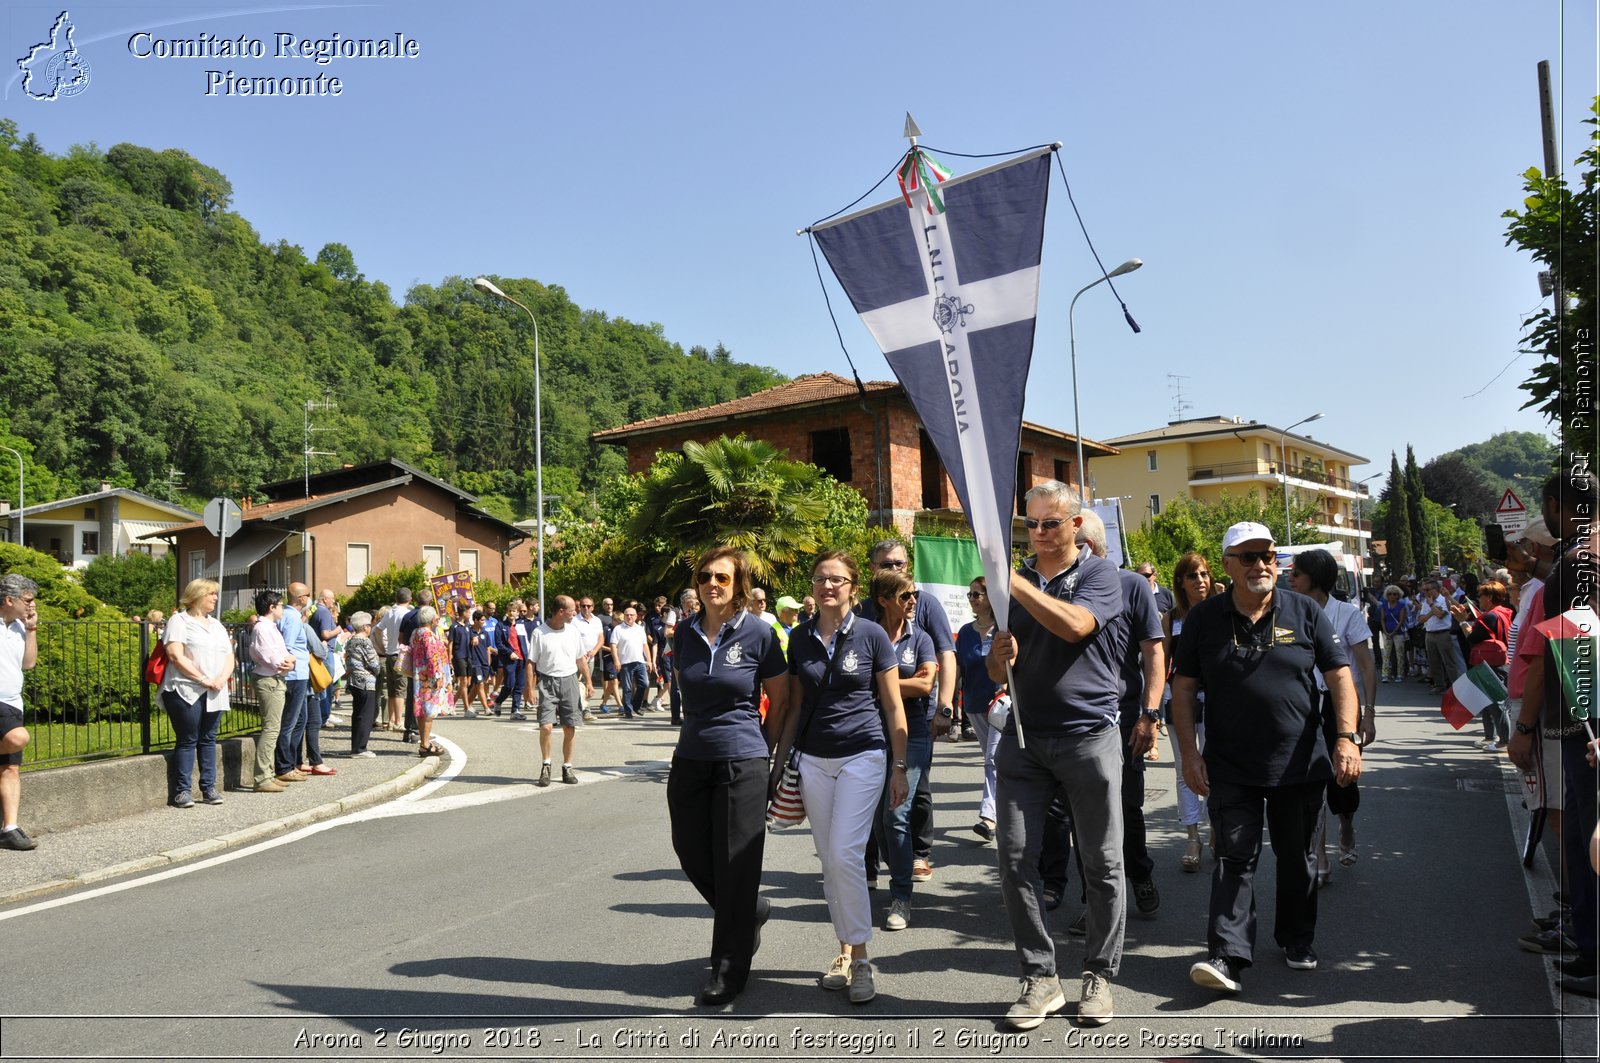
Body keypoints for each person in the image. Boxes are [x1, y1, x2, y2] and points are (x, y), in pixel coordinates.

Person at [1173, 521, 1361, 995]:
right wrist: (1189, 755)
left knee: (1296, 859)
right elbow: (1184, 687)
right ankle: (1228, 955)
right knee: (1235, 856)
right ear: (1228, 564)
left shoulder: (1305, 610)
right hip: (1230, 764)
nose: (1262, 565)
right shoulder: (1203, 619)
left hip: (1299, 762)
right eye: (1249, 556)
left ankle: (1297, 939)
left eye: (1269, 555)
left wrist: (1346, 737)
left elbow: (1340, 675)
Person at [985, 481, 1128, 1030]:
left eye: (1050, 523)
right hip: (1023, 738)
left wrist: (1014, 584)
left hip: (1088, 736)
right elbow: (999, 670)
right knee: (1015, 858)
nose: (1039, 534)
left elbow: (1075, 627)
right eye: (1031, 525)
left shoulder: (1098, 575)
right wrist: (1000, 657)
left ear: (1075, 526)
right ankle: (1040, 976)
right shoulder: (1013, 585)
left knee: (1101, 860)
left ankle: (1098, 973)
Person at [773, 550, 908, 1005]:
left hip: (863, 754)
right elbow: (794, 705)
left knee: (845, 853)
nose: (827, 586)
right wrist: (778, 763)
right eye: (819, 579)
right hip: (813, 758)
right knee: (829, 860)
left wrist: (901, 766)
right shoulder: (799, 638)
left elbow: (892, 705)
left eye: (836, 580)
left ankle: (864, 957)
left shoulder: (871, 634)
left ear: (853, 586)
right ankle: (845, 951)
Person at [668, 547, 790, 1006]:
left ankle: (729, 969)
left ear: (738, 584)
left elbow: (781, 698)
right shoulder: (685, 633)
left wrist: (767, 751)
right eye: (704, 576)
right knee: (690, 850)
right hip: (692, 756)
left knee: (737, 864)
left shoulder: (759, 633)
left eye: (722, 577)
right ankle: (750, 913)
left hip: (744, 759)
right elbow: (687, 687)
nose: (711, 583)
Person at [1509, 466, 1600, 997]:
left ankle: (1591, 952)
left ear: (1555, 504)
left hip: (1584, 729)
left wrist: (1529, 726)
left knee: (1591, 843)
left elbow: (1568, 655)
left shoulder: (1576, 564)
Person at [1078, 512, 1166, 917]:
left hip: (1125, 716)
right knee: (1084, 817)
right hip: (1077, 720)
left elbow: (1153, 653)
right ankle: (1093, 900)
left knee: (1126, 807)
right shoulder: (1064, 587)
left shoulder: (1132, 586)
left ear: (1090, 546)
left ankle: (1140, 874)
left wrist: (1151, 713)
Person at [860, 539, 956, 884]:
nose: (897, 570)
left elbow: (943, 656)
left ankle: (918, 854)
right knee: (871, 797)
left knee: (914, 792)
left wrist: (944, 707)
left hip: (917, 718)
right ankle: (870, 864)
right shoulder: (862, 613)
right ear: (874, 570)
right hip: (869, 719)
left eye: (901, 563)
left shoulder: (925, 605)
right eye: (888, 564)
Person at [1286, 549, 1377, 885]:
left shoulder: (1348, 615)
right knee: (1312, 781)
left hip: (1342, 706)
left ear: (1316, 577)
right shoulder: (1289, 613)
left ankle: (1347, 823)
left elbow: (1366, 667)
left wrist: (1367, 714)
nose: (1290, 579)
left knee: (1342, 783)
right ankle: (1319, 851)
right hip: (1305, 706)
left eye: (1296, 574)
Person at [867, 567, 937, 932]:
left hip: (914, 735)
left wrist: (883, 681)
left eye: (915, 595)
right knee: (879, 821)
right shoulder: (868, 634)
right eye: (904, 596)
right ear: (883, 601)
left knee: (895, 815)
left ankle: (902, 898)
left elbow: (927, 684)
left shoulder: (920, 637)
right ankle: (897, 880)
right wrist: (899, 682)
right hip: (869, 734)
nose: (912, 602)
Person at [159, 579, 235, 808]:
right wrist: (203, 679)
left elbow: (229, 655)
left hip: (215, 689)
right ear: (198, 595)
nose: (215, 598)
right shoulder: (179, 620)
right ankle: (182, 791)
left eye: (215, 594)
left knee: (209, 739)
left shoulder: (217, 625)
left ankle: (209, 788)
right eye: (211, 593)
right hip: (186, 689)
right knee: (187, 739)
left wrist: (221, 679)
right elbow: (175, 655)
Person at [1162, 552, 1212, 872]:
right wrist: (1150, 707)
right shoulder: (1171, 618)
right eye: (1193, 575)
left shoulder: (1221, 612)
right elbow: (1159, 661)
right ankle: (1192, 836)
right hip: (1179, 700)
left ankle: (1217, 829)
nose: (1201, 581)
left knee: (1216, 767)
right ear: (1181, 581)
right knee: (1185, 769)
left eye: (1205, 574)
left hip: (1216, 699)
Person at [956, 577, 1001, 842]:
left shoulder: (1005, 628)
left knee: (993, 760)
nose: (973, 599)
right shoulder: (965, 632)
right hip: (974, 705)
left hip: (1002, 705)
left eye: (978, 594)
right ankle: (1007, 809)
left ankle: (989, 817)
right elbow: (959, 669)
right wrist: (950, 707)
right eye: (970, 594)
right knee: (995, 761)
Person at [528, 595, 587, 785]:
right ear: (561, 612)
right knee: (546, 726)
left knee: (570, 726)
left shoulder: (573, 631)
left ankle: (567, 767)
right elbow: (531, 663)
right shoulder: (539, 632)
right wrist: (530, 689)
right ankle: (546, 765)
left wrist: (589, 681)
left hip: (569, 680)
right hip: (547, 682)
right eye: (572, 610)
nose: (575, 613)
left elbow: (580, 658)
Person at [0, 574, 39, 850]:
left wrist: (32, 629)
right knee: (18, 737)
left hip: (14, 702)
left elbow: (28, 664)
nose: (32, 606)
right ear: (9, 599)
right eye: (27, 600)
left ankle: (10, 828)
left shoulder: (20, 628)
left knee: (10, 767)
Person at [1453, 579, 1513, 750]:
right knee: (1486, 700)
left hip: (1491, 663)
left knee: (1495, 703)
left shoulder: (1492, 616)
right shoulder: (1503, 612)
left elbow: (1473, 637)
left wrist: (1462, 621)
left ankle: (1503, 741)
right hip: (1498, 660)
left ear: (1489, 597)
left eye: (1480, 595)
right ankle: (1490, 736)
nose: (1478, 598)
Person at [409, 605, 452, 758]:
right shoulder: (427, 635)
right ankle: (425, 744)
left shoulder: (416, 633)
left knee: (422, 710)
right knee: (429, 712)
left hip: (419, 674)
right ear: (433, 619)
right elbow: (431, 658)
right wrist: (438, 677)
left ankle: (424, 741)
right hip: (428, 677)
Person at [343, 611, 381, 757]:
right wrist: (376, 669)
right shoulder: (365, 641)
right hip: (366, 681)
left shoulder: (351, 640)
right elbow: (374, 664)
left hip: (354, 680)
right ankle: (360, 749)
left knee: (358, 714)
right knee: (366, 715)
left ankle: (356, 747)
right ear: (365, 627)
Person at [377, 587, 413, 733]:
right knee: (400, 690)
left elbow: (377, 630)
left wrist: (382, 647)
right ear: (410, 599)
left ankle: (391, 720)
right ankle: (399, 721)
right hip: (401, 653)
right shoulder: (407, 613)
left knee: (392, 690)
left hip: (390, 654)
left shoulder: (390, 612)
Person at [1421, 578, 1466, 692]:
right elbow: (1421, 619)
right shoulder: (1425, 602)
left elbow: (1441, 615)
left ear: (1435, 589)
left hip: (1443, 633)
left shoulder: (1443, 600)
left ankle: (1454, 686)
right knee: (1433, 661)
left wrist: (1432, 606)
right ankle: (1439, 685)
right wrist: (1433, 610)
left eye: (1427, 589)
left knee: (1448, 662)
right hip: (1430, 633)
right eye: (1423, 590)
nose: (1425, 592)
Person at [610, 604, 651, 719]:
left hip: (639, 661)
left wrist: (649, 660)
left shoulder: (640, 629)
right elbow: (613, 645)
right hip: (625, 662)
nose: (629, 617)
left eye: (631, 615)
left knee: (644, 684)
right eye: (627, 615)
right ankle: (628, 711)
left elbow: (645, 645)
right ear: (624, 616)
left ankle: (636, 706)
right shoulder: (618, 629)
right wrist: (616, 660)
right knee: (627, 688)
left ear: (636, 616)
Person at [1376, 585, 1410, 682]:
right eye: (1390, 594)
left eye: (1394, 594)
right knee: (1386, 654)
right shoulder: (1384, 605)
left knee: (1400, 654)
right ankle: (1385, 674)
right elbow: (1382, 619)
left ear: (1398, 595)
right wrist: (1385, 631)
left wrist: (1394, 632)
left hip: (1398, 632)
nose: (1392, 596)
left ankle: (1400, 674)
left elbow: (1401, 620)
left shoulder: (1401, 605)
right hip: (1387, 632)